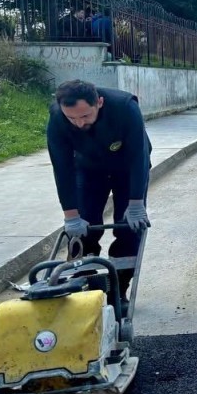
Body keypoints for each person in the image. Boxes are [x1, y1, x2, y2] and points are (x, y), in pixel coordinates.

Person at [46, 79, 152, 301]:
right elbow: (62, 167)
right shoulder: (57, 117)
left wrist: (135, 204)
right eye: (72, 118)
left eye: (85, 116)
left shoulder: (125, 107)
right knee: (84, 227)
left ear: (99, 102)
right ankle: (84, 282)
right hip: (89, 169)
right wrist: (71, 216)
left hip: (127, 170)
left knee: (129, 229)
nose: (78, 123)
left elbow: (138, 157)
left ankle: (119, 286)